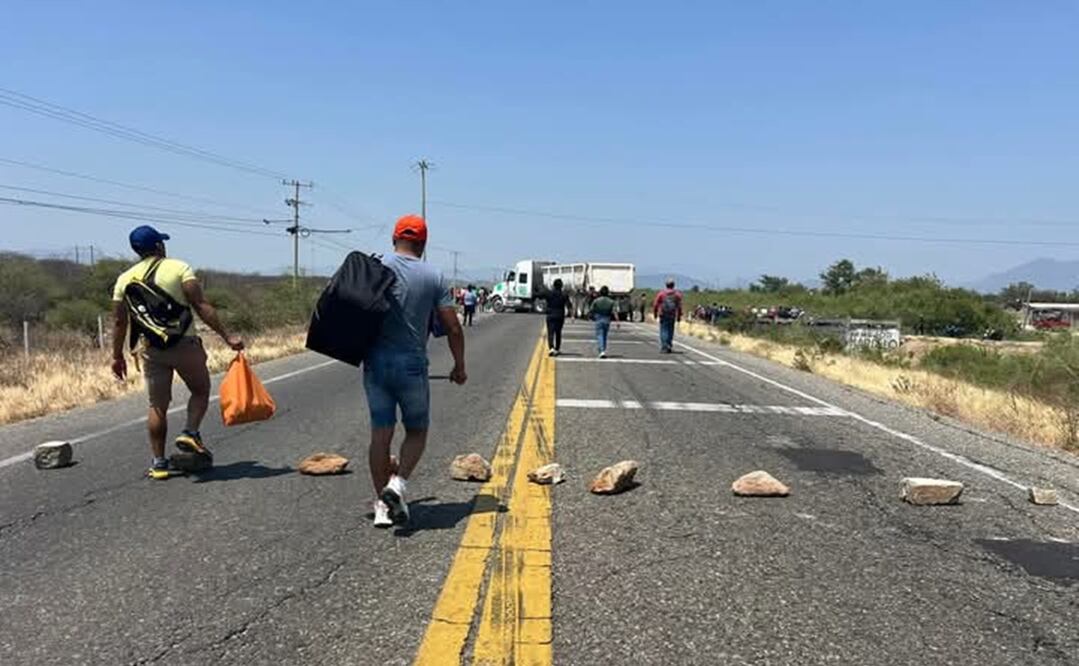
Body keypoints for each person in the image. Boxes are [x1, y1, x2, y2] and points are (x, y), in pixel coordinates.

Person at [110, 225, 244, 480]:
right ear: (159, 246)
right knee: (200, 390)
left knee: (157, 405)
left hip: (151, 350)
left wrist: (116, 356)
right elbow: (201, 305)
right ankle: (190, 432)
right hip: (185, 344)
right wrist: (228, 337)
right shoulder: (179, 268)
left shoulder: (123, 279)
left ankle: (159, 464)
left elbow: (119, 322)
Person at [366, 214, 467, 528]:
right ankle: (396, 487)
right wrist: (459, 365)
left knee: (381, 435)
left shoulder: (376, 265)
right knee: (417, 432)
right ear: (423, 243)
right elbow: (452, 327)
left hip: (375, 362)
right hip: (411, 364)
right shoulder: (434, 276)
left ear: (394, 238)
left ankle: (382, 509)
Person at [652, 278, 683, 353]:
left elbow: (655, 304)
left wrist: (655, 314)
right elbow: (679, 306)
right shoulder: (677, 294)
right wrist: (679, 316)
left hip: (663, 314)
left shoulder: (661, 293)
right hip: (672, 314)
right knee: (670, 330)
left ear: (666, 285)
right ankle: (669, 345)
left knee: (663, 330)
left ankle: (664, 346)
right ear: (673, 285)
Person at [543, 279, 572, 356]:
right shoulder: (564, 295)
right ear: (561, 286)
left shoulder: (549, 293)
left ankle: (551, 348)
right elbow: (569, 305)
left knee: (550, 333)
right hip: (560, 315)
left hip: (550, 315)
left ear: (554, 285)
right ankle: (557, 348)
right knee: (558, 332)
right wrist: (572, 315)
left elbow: (541, 296)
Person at [589, 285, 617, 358]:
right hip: (607, 319)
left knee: (600, 335)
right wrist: (618, 321)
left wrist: (591, 316)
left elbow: (591, 309)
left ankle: (601, 351)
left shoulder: (596, 300)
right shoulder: (611, 301)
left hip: (598, 318)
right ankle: (603, 349)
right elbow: (614, 312)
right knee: (605, 335)